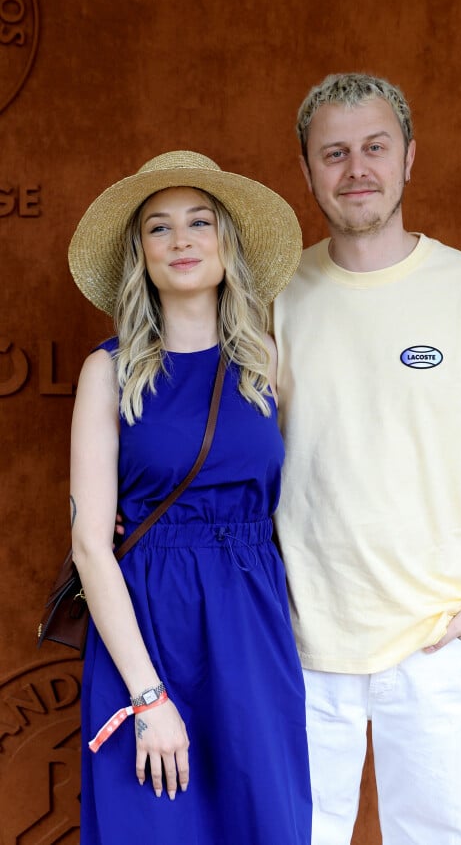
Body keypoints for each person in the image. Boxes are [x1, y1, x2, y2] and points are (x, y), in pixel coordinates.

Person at [272, 73, 461, 845]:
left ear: (409, 159)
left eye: (375, 147)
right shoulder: (275, 298)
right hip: (302, 643)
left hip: (435, 643)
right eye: (334, 153)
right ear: (305, 171)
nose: (355, 169)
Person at [67, 151, 312, 845]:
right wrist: (148, 696)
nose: (181, 240)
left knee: (261, 820)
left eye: (199, 222)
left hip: (252, 624)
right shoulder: (106, 372)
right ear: (140, 254)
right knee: (151, 822)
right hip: (145, 623)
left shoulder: (267, 362)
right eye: (159, 228)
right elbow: (90, 544)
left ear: (226, 244)